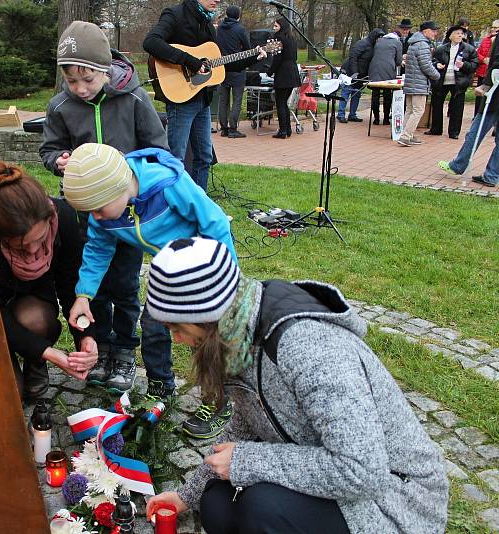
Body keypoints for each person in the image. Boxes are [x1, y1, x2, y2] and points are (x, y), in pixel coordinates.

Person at [144, 237, 449, 534]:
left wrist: (247, 460)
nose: (176, 339)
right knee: (216, 504)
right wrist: (186, 497)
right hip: (325, 469)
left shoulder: (306, 346)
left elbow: (364, 471)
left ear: (206, 316)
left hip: (393, 499)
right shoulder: (237, 338)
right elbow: (246, 425)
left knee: (263, 508)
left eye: (177, 327)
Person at [63, 142, 238, 438]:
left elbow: (215, 222)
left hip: (203, 266)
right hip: (166, 268)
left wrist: (223, 278)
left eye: (99, 209)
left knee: (210, 336)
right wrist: (83, 295)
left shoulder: (169, 184)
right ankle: (162, 387)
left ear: (119, 189)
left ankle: (220, 398)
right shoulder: (105, 209)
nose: (98, 217)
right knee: (154, 326)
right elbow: (97, 248)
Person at [40, 21, 169, 394]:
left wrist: (127, 175)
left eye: (88, 80)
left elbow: (158, 150)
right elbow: (49, 150)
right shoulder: (61, 106)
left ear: (105, 69)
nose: (80, 89)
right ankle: (98, 346)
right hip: (85, 213)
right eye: (71, 81)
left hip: (127, 214)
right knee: (92, 284)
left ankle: (125, 350)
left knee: (125, 285)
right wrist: (58, 161)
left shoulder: (133, 98)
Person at [0, 161, 99, 400]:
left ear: (49, 217)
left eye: (40, 238)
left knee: (37, 320)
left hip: (32, 304)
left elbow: (70, 284)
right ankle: (24, 355)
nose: (34, 249)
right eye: (22, 246)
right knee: (8, 396)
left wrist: (86, 335)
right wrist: (49, 353)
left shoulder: (62, 217)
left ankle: (34, 360)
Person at [142, 0, 219, 190]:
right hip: (181, 99)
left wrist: (251, 56)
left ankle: (199, 203)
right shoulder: (175, 15)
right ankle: (172, 206)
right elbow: (151, 42)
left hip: (202, 98)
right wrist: (190, 61)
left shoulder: (207, 23)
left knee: (204, 157)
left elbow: (217, 62)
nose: (217, 0)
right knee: (176, 157)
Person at [438, 24, 499, 188]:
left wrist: (485, 85)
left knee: (475, 132)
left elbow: (496, 64)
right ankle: (492, 175)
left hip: (495, 96)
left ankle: (459, 165)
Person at [426, 25, 477, 139]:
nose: (460, 35)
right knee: (437, 105)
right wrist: (437, 64)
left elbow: (474, 65)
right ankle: (436, 129)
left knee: (457, 108)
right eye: (457, 33)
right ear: (450, 36)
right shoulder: (441, 49)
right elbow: (433, 60)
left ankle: (454, 132)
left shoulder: (469, 49)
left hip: (458, 82)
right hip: (442, 81)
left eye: (461, 33)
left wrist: (464, 65)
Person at [398, 21, 441, 147]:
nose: (435, 33)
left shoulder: (414, 43)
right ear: (425, 31)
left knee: (410, 110)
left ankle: (406, 134)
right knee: (418, 111)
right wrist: (437, 75)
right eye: (433, 30)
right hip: (419, 83)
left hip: (411, 81)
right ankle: (406, 136)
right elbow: (426, 65)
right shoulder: (422, 44)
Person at [337, 29, 385, 123]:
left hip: (361, 74)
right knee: (346, 92)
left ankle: (352, 114)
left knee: (356, 94)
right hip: (351, 71)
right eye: (378, 37)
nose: (379, 39)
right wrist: (355, 72)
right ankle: (341, 114)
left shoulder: (374, 46)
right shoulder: (362, 43)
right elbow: (353, 57)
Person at [216, 5, 249, 138]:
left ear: (226, 14)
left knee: (223, 100)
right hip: (237, 68)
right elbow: (247, 48)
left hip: (222, 67)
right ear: (238, 16)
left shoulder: (219, 28)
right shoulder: (240, 28)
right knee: (237, 99)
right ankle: (233, 128)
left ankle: (224, 128)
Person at [267, 17, 300, 139]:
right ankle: (287, 129)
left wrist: (270, 71)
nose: (274, 28)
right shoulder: (291, 39)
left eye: (276, 26)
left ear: (282, 26)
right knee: (284, 103)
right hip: (292, 72)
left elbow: (277, 58)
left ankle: (282, 131)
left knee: (280, 103)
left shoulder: (279, 38)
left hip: (283, 74)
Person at [368, 27, 403, 125]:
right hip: (388, 70)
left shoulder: (379, 41)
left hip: (374, 68)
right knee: (387, 94)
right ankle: (386, 119)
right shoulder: (397, 43)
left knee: (375, 94)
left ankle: (376, 119)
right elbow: (398, 61)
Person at [474, 20, 498, 115]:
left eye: (496, 27)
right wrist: (483, 59)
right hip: (483, 71)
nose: (493, 29)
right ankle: (477, 114)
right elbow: (478, 53)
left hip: (493, 74)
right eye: (492, 27)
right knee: (480, 97)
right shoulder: (485, 40)